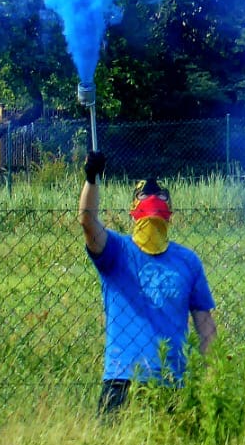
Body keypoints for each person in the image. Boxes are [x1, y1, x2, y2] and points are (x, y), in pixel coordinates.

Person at [80, 152, 217, 414]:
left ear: (171, 214)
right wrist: (91, 179)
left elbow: (205, 325)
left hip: (172, 383)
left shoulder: (188, 261)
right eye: (143, 195)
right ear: (133, 213)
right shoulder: (115, 251)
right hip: (122, 381)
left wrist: (214, 375)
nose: (153, 198)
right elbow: (87, 222)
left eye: (161, 196)